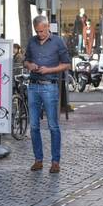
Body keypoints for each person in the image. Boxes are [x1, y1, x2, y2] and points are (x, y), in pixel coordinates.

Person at [24, 15, 70, 174]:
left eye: (42, 31)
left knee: (53, 125)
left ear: (48, 27)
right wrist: (30, 65)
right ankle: (38, 160)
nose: (40, 34)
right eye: (37, 31)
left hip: (50, 87)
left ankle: (55, 162)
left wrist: (49, 70)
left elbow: (66, 64)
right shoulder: (32, 41)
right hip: (33, 86)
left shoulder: (58, 42)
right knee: (34, 126)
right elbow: (25, 61)